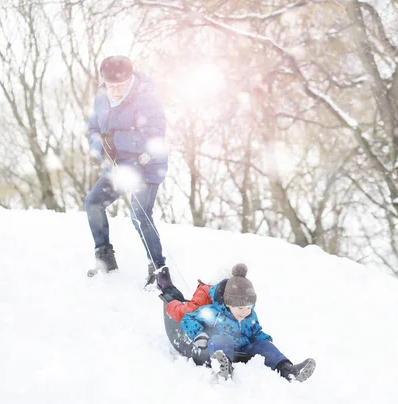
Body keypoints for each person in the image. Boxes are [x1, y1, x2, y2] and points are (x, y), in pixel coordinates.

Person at [85, 55, 183, 300]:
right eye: (111, 86)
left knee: (139, 214)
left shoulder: (146, 99)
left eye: (121, 85)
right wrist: (100, 149)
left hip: (147, 165)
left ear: (130, 79)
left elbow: (153, 136)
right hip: (118, 167)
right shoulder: (101, 98)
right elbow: (93, 131)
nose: (115, 91)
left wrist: (115, 140)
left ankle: (158, 270)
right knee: (93, 202)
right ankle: (105, 258)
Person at [166, 263, 316, 382]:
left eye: (248, 307)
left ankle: (288, 370)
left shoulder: (250, 315)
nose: (245, 312)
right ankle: (224, 367)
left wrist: (267, 344)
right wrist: (200, 335)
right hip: (221, 345)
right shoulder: (213, 312)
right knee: (219, 340)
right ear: (228, 303)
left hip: (244, 348)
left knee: (263, 345)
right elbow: (188, 318)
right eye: (240, 308)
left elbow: (255, 331)